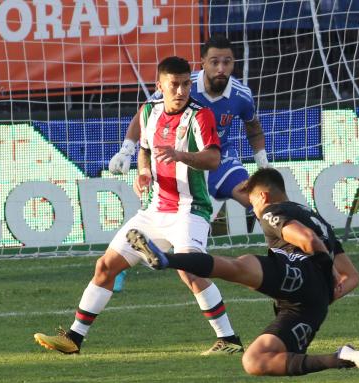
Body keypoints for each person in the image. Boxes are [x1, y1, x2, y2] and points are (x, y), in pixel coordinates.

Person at [34, 56, 242, 355]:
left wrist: (182, 156)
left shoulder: (201, 116)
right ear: (160, 86)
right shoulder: (149, 112)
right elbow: (145, 150)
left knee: (191, 272)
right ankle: (74, 339)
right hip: (155, 209)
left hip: (189, 209)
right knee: (105, 265)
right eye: (174, 85)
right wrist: (143, 172)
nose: (182, 91)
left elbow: (213, 159)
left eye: (185, 84)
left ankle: (229, 340)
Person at [125, 168, 359, 376]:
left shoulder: (272, 211)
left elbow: (307, 239)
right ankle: (340, 358)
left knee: (238, 267)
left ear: (263, 196)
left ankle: (167, 259)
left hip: (302, 273)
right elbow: (353, 276)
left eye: (253, 203)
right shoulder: (317, 219)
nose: (254, 210)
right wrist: (326, 288)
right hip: (310, 305)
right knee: (255, 361)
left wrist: (324, 269)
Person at [108, 34, 268, 294]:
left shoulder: (241, 94)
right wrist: (128, 151)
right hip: (178, 160)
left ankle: (283, 253)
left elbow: (253, 127)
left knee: (257, 199)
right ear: (202, 62)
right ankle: (121, 264)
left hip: (219, 159)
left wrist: (263, 164)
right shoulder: (182, 84)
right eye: (215, 61)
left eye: (227, 62)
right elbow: (145, 113)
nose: (221, 68)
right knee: (156, 211)